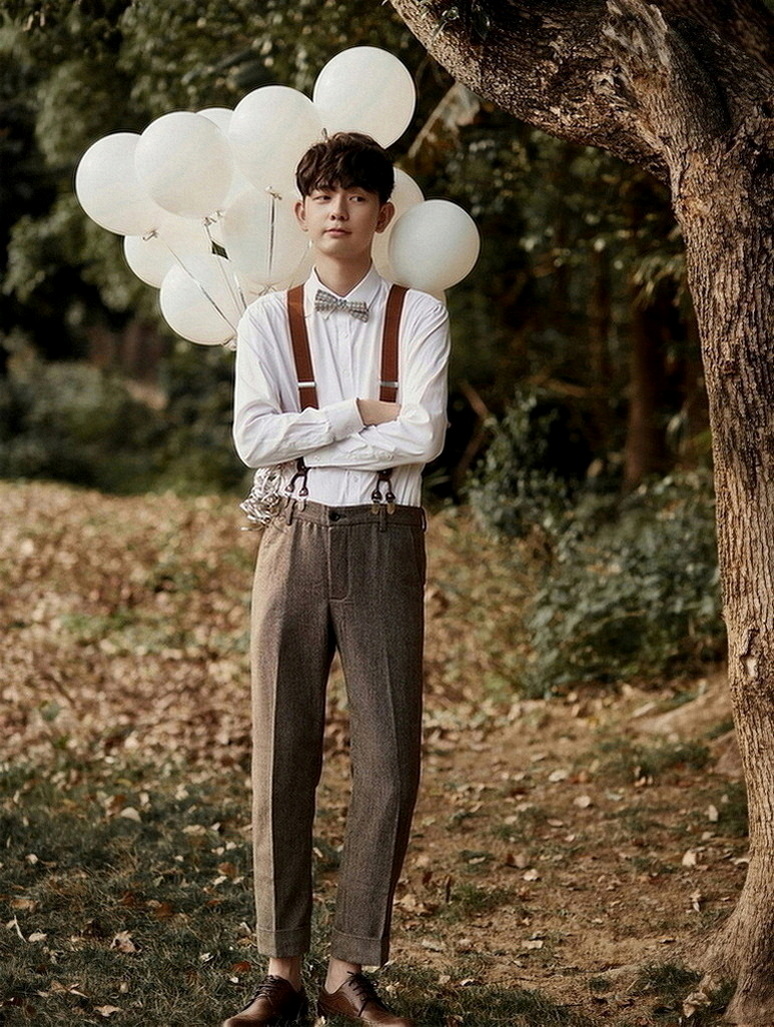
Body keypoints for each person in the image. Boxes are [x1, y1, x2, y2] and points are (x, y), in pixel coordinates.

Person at [224, 131, 450, 1027]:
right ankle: (281, 970)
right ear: (300, 210)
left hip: (386, 537)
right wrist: (358, 411)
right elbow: (253, 440)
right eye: (323, 195)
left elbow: (424, 434)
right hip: (292, 536)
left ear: (382, 214)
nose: (339, 210)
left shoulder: (419, 314)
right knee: (282, 753)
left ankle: (346, 970)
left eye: (357, 196)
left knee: (389, 760)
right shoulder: (265, 320)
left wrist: (309, 432)